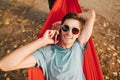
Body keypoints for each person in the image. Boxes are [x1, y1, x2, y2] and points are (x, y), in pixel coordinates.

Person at [0, 10, 95, 80]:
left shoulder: (78, 46)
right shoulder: (46, 53)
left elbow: (91, 15)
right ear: (60, 29)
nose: (69, 33)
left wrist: (72, 18)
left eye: (75, 30)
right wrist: (42, 41)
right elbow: (4, 65)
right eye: (66, 28)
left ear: (78, 34)